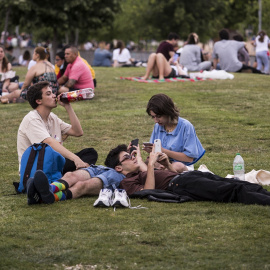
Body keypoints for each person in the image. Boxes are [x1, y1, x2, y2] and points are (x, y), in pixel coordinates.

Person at [104, 144, 270, 206]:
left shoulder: (141, 172)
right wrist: (149, 165)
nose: (133, 159)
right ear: (119, 168)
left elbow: (171, 173)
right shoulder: (127, 183)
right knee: (231, 191)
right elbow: (149, 190)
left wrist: (166, 163)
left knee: (238, 183)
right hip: (182, 186)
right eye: (127, 157)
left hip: (188, 177)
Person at [17, 81, 97, 173]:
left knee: (90, 153)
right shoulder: (32, 119)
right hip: (36, 168)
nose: (54, 96)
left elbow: (77, 132)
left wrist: (68, 106)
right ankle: (72, 177)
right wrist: (75, 159)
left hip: (53, 163)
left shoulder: (52, 117)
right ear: (39, 101)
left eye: (52, 92)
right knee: (78, 160)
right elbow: (49, 143)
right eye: (48, 94)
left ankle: (70, 177)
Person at [143, 94, 205, 172]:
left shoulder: (185, 126)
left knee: (177, 166)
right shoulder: (157, 126)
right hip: (161, 164)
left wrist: (163, 151)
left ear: (167, 111)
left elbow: (189, 159)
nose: (156, 120)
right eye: (153, 117)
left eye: (158, 116)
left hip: (182, 166)